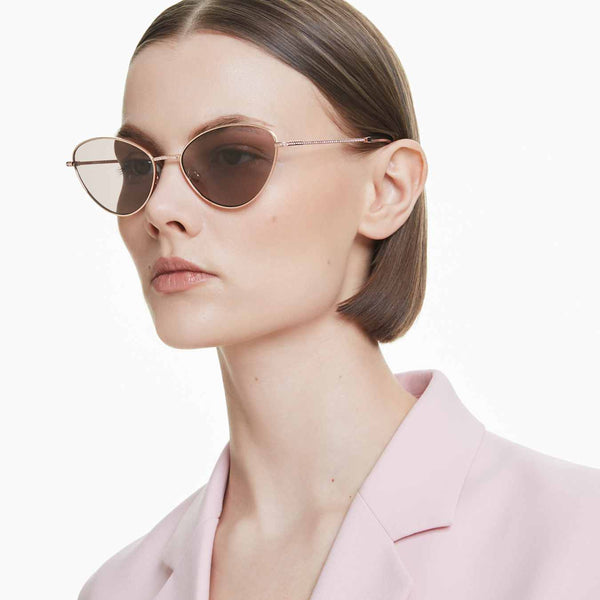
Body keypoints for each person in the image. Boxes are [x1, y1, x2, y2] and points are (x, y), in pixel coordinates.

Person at [67, 1, 600, 599]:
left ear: (387, 189)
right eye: (138, 167)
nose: (161, 208)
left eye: (232, 157)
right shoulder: (120, 589)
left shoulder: (580, 539)